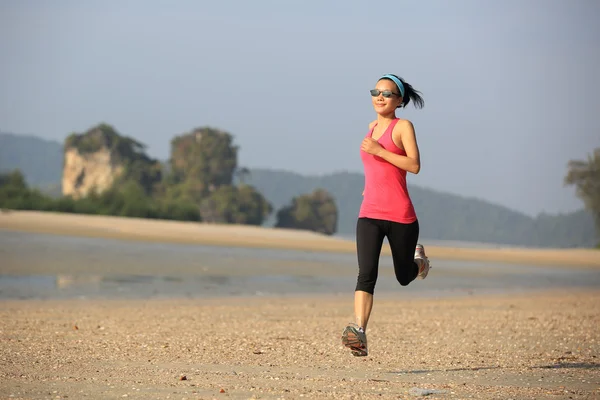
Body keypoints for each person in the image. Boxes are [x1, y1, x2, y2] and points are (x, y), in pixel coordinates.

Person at [341, 73, 431, 357]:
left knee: (404, 276)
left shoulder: (403, 126)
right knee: (366, 274)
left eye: (387, 93)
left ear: (399, 100)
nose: (380, 97)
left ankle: (420, 262)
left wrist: (380, 150)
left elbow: (414, 165)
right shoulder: (369, 128)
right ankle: (360, 334)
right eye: (376, 92)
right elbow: (375, 170)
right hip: (369, 212)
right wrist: (368, 190)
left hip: (400, 214)